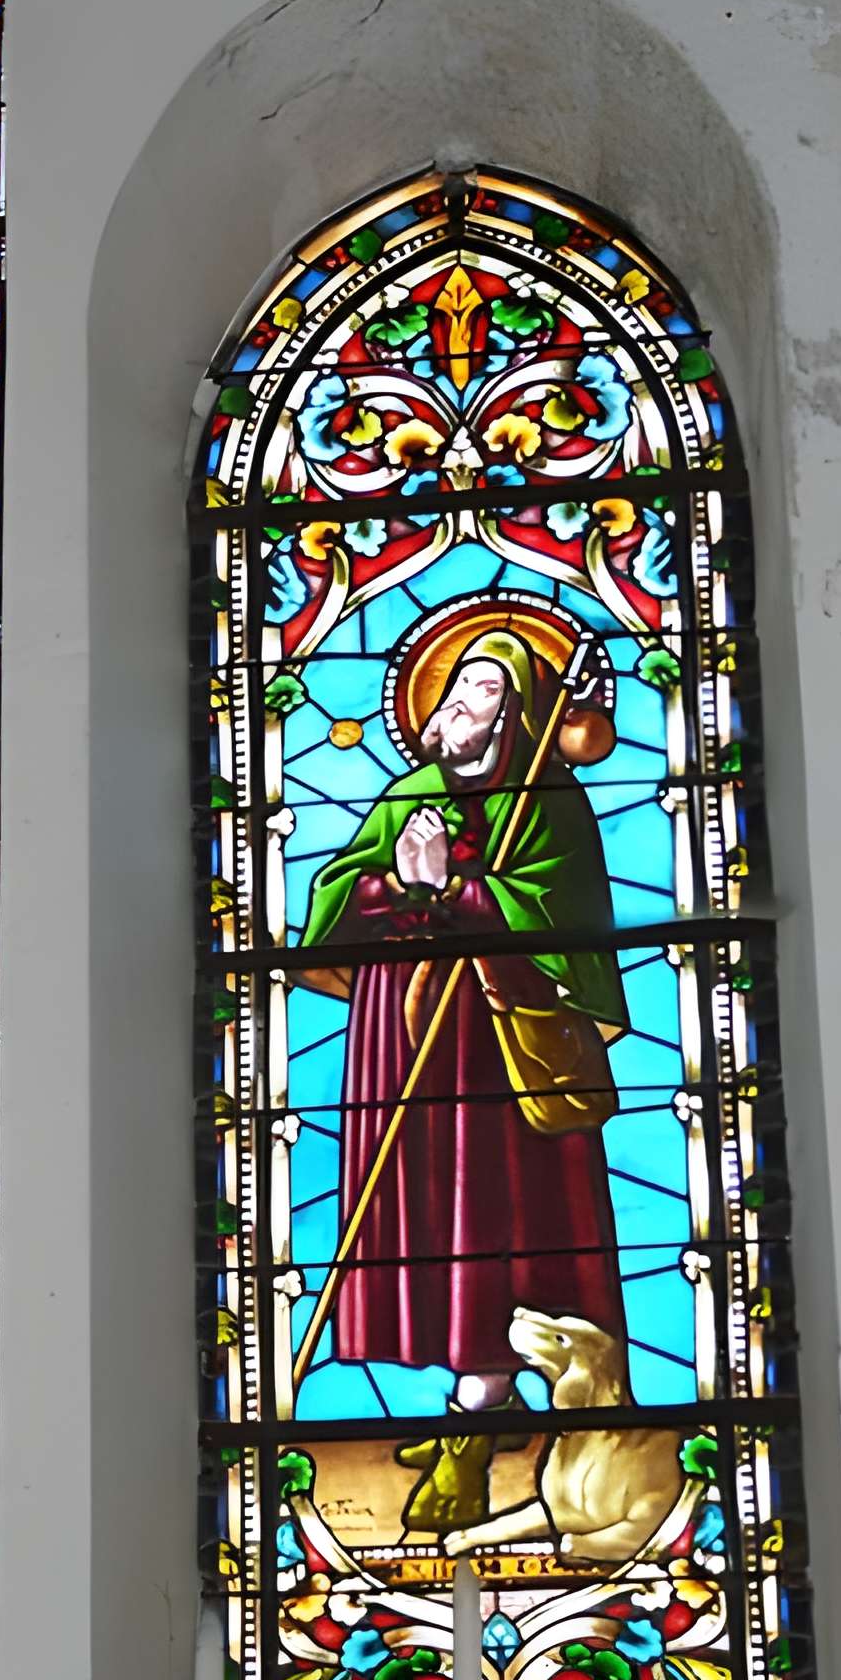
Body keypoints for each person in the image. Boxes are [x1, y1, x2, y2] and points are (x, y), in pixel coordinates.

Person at [294, 628, 627, 1530]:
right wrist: (396, 889)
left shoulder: (549, 804)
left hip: (496, 1051)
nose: (456, 703)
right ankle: (471, 1388)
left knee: (492, 1225)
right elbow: (335, 900)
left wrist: (458, 894)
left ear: (516, 713)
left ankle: (472, 1431)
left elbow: (565, 923)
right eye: (450, 687)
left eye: (480, 688)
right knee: (421, 1219)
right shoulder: (411, 795)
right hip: (400, 1041)